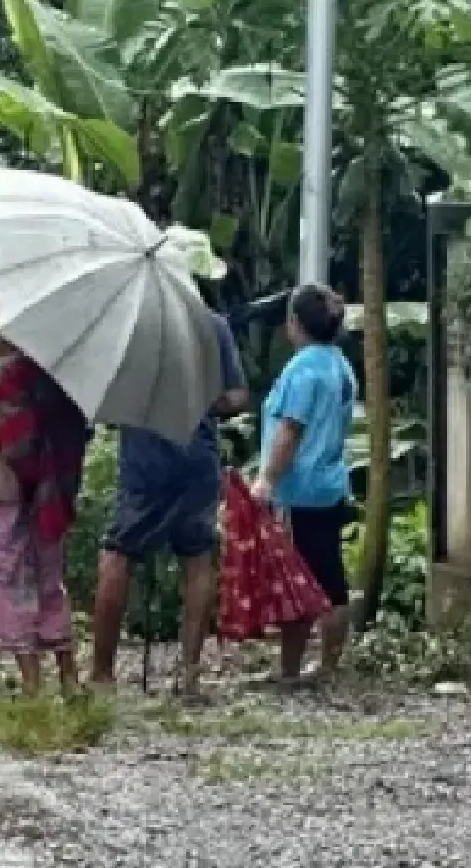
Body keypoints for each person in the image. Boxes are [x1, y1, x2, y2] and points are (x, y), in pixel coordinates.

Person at [90, 300, 250, 702]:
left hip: (146, 461)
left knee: (118, 554)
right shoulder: (214, 325)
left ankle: (102, 673)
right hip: (197, 459)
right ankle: (189, 675)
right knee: (196, 557)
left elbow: (105, 396)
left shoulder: (130, 324)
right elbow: (236, 397)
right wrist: (198, 400)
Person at [253, 282, 358, 684]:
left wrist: (265, 479)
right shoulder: (339, 364)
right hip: (330, 481)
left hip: (301, 489)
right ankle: (312, 665)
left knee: (304, 581)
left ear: (295, 324)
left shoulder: (302, 370)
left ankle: (307, 667)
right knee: (324, 574)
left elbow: (289, 431)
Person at [0, 343, 89, 699]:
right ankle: (69, 677)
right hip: (53, 492)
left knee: (11, 584)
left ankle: (31, 683)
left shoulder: (3, 376)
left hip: (7, 490)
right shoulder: (66, 377)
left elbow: (14, 443)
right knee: (50, 581)